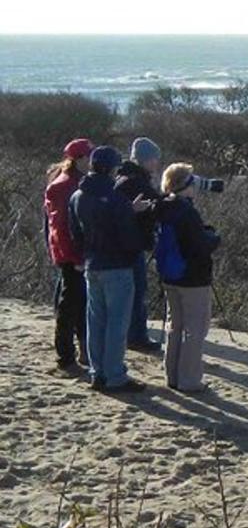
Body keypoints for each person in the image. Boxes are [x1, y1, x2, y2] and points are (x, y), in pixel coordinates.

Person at [68, 146, 154, 393]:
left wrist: (87, 253)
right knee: (117, 323)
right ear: (110, 168)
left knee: (95, 321)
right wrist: (135, 218)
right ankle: (115, 375)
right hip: (117, 266)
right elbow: (128, 237)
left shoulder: (77, 196)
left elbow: (75, 233)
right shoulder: (115, 199)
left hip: (92, 265)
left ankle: (97, 373)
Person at [156, 164, 221, 392]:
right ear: (185, 185)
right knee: (195, 329)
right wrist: (214, 237)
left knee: (175, 326)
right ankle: (190, 381)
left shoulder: (163, 206)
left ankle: (172, 376)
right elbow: (199, 246)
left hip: (170, 276)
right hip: (192, 278)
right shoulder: (186, 211)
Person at [44, 138, 94, 371]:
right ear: (79, 159)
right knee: (69, 305)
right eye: (89, 155)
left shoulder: (77, 182)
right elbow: (59, 228)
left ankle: (82, 351)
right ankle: (65, 356)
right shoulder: (62, 186)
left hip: (79, 254)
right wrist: (73, 258)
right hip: (71, 256)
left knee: (80, 303)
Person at [114, 137, 164, 353]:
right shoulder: (135, 182)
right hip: (131, 245)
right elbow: (159, 206)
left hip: (127, 244)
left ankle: (134, 334)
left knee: (132, 291)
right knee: (136, 290)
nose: (157, 163)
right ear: (145, 160)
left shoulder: (125, 177)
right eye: (154, 159)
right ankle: (136, 336)